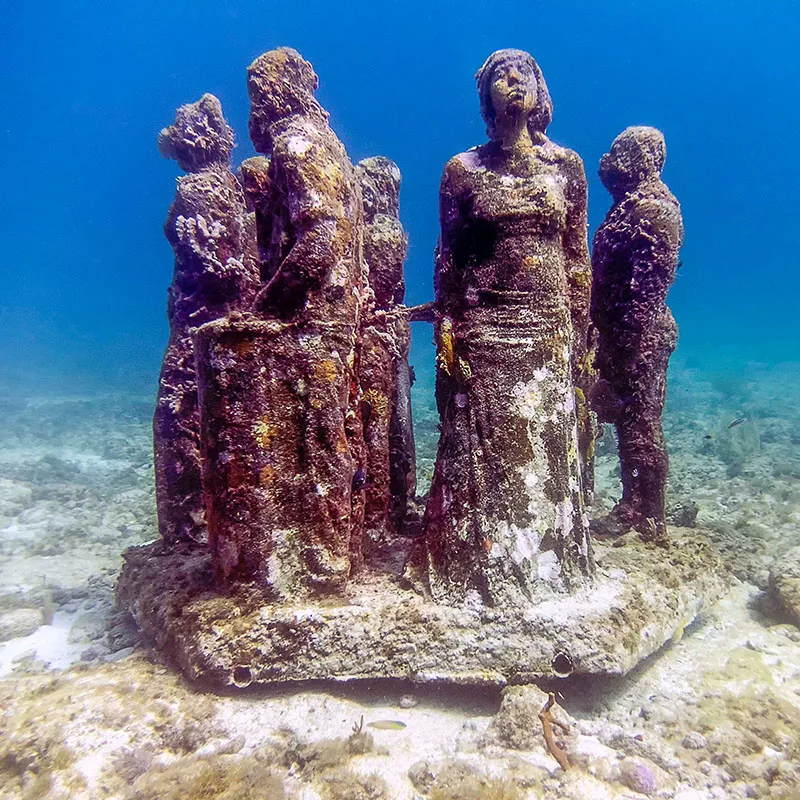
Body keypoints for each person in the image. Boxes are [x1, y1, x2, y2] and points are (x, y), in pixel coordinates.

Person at [420, 49, 594, 605]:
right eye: (501, 73)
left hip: (547, 324)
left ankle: (550, 564)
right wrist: (446, 326)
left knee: (546, 445)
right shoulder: (461, 171)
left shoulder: (567, 166)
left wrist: (582, 337)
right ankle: (480, 568)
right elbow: (448, 258)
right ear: (485, 94)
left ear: (541, 90)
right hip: (485, 322)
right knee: (484, 450)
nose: (512, 80)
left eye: (524, 72)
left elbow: (576, 257)